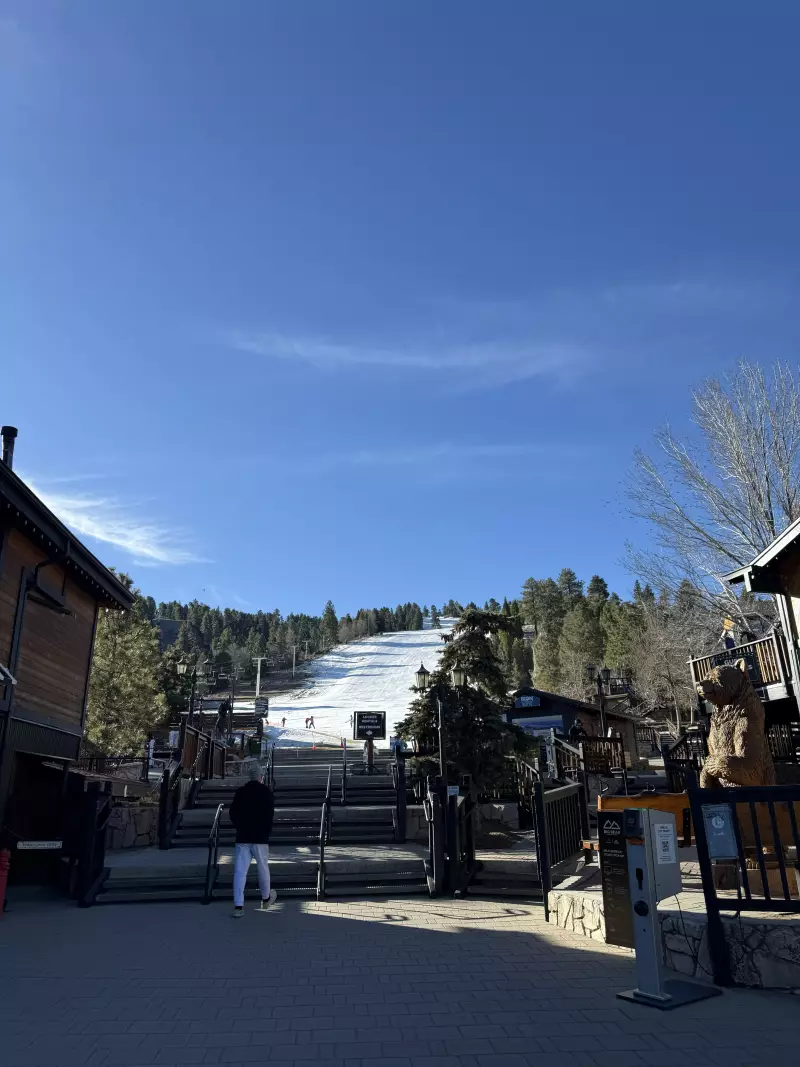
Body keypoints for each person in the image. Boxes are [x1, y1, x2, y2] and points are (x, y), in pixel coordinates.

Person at [228, 763, 276, 918]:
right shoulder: (266, 792)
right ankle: (266, 898)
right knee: (263, 868)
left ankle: (238, 906)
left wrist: (239, 827)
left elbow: (232, 813)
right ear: (260, 777)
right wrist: (266, 831)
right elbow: (270, 814)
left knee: (240, 871)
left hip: (243, 836)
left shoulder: (241, 792)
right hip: (260, 837)